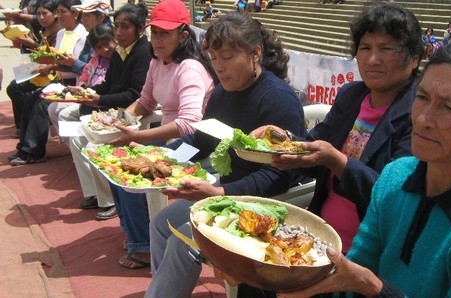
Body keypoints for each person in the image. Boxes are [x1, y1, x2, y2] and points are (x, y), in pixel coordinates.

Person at [238, 2, 422, 296]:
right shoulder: (352, 95)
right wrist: (282, 139)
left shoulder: (419, 114)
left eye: (387, 49)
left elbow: (393, 197)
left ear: (414, 58)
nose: (373, 59)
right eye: (365, 48)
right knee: (251, 276)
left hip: (364, 251)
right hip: (320, 231)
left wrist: (338, 162)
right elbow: (315, 144)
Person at [277, 36, 451, 298]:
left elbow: (362, 281)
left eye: (449, 107)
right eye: (422, 97)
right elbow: (355, 272)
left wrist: (371, 288)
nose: (422, 118)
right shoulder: (396, 178)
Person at [145, 12, 308, 297]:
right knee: (162, 223)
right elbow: (201, 141)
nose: (218, 67)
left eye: (228, 57)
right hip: (227, 193)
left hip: (265, 203)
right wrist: (161, 157)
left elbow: (277, 176)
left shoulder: (277, 100)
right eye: (214, 58)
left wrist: (217, 191)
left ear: (255, 53)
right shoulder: (222, 93)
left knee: (182, 240)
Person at [103, 0, 217, 267]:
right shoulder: (158, 62)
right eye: (155, 32)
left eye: (165, 33)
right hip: (169, 140)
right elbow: (144, 102)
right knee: (114, 165)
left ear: (183, 35)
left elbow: (190, 123)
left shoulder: (189, 68)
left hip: (196, 144)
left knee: (131, 175)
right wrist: (119, 122)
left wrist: (138, 137)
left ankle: (143, 246)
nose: (157, 39)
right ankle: (135, 234)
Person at [65, 2, 153, 219]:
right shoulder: (120, 51)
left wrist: (99, 99)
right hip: (114, 108)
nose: (119, 32)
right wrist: (88, 91)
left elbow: (134, 94)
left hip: (131, 113)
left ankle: (109, 199)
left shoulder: (143, 52)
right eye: (117, 26)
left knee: (86, 141)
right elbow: (110, 84)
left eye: (125, 27)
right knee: (69, 123)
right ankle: (95, 192)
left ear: (140, 29)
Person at [9, 0, 88, 166]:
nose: (59, 16)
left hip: (73, 83)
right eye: (57, 11)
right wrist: (45, 64)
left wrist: (49, 66)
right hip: (57, 79)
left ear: (75, 13)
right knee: (30, 99)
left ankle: (34, 151)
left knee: (41, 103)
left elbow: (76, 65)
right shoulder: (60, 33)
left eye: (62, 12)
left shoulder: (82, 34)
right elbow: (54, 58)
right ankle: (24, 147)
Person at [47, 0, 113, 133]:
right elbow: (88, 70)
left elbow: (101, 75)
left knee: (62, 113)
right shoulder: (91, 37)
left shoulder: (108, 38)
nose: (82, 20)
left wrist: (73, 63)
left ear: (100, 17)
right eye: (82, 15)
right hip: (88, 92)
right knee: (53, 109)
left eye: (87, 16)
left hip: (102, 97)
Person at [6, 0, 62, 138]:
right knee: (14, 86)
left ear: (55, 14)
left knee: (17, 88)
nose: (42, 18)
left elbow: (53, 56)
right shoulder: (42, 29)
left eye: (45, 14)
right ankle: (22, 126)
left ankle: (27, 126)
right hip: (38, 69)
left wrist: (33, 44)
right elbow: (38, 54)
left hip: (52, 72)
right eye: (39, 14)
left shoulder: (59, 31)